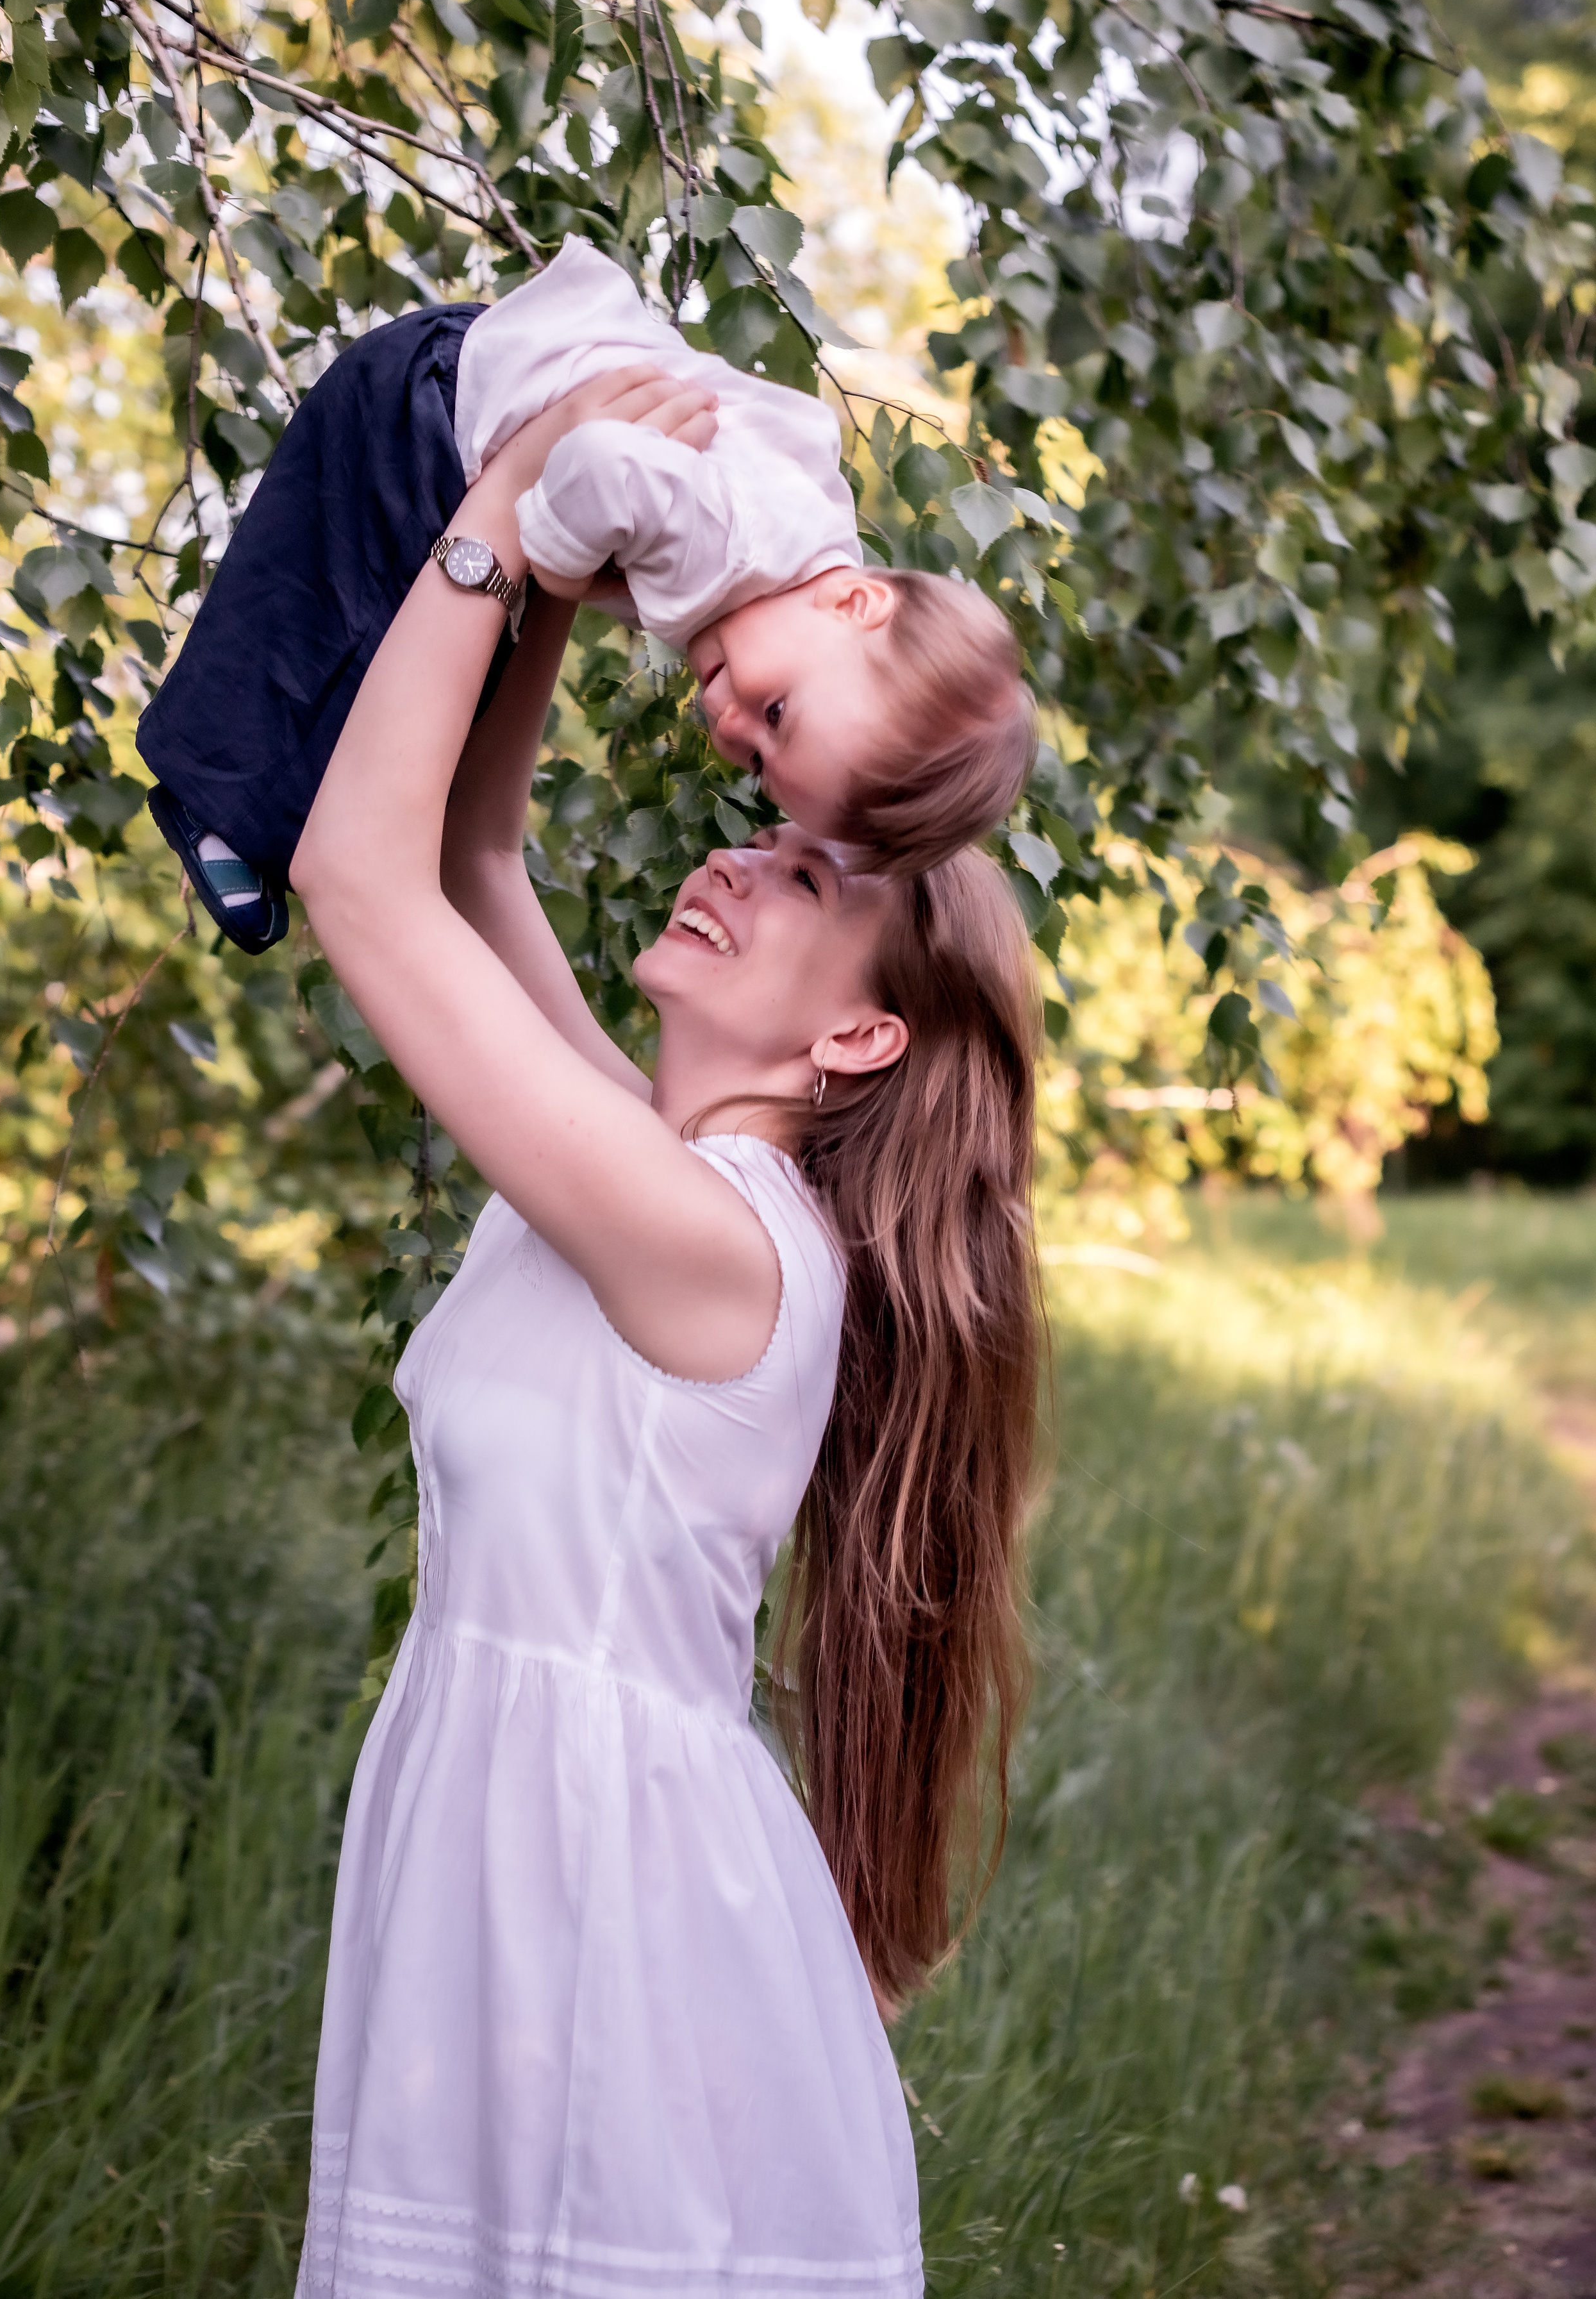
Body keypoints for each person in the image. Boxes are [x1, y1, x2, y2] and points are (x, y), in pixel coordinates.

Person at [287, 370, 1045, 2295]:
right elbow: (470, 858)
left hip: (599, 1902)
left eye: (801, 880)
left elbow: (354, 874)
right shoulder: (641, 1166)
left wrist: (511, 507)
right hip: (516, 1846)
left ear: (855, 1033)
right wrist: (566, 572)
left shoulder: (712, 1244)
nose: (734, 858)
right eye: (764, 835)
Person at [137, 237, 1036, 954]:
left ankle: (240, 806)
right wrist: (563, 568)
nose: (731, 729)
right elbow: (601, 462)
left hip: (460, 382)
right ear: (856, 606)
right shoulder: (735, 542)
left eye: (757, 765)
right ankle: (221, 801)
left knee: (389, 663)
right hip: (445, 418)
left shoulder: (804, 545)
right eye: (776, 713)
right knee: (349, 640)